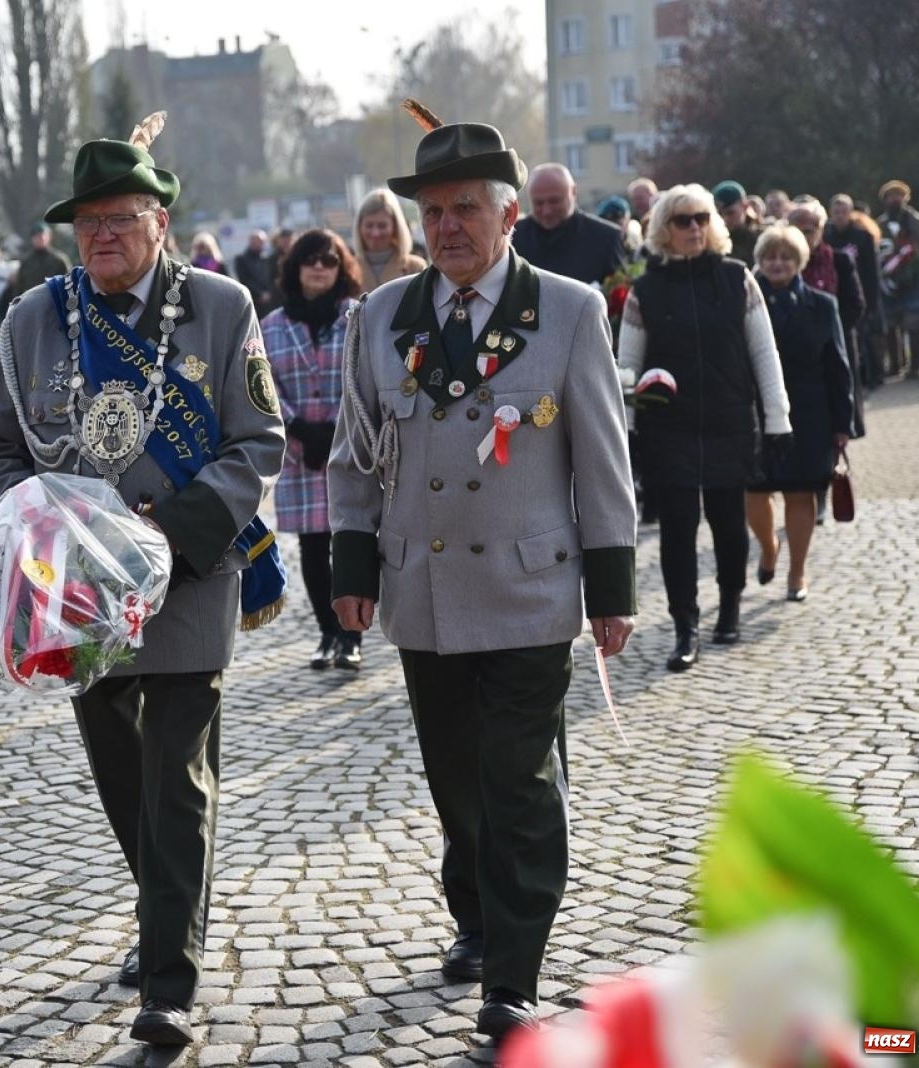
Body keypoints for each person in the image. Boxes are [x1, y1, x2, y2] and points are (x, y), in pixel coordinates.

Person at [0, 116, 284, 1048]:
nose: (102, 235)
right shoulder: (34, 318)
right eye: (87, 222)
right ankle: (165, 916)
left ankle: (169, 981)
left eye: (120, 218)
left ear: (159, 220)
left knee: (177, 776)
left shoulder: (221, 307)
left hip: (187, 578)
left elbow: (256, 443)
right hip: (73, 591)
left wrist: (170, 539)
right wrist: (41, 525)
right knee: (120, 774)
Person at [327, 112, 637, 1047]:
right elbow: (352, 456)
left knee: (520, 781)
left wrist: (613, 587)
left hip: (530, 586)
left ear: (509, 216)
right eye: (433, 209)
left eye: (467, 207)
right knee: (456, 781)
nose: (448, 225)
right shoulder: (381, 317)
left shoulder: (571, 309)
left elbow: (602, 460)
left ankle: (516, 969)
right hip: (421, 590)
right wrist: (351, 566)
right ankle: (475, 909)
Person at [617, 183, 790, 671]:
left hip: (728, 419)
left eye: (701, 218)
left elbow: (764, 354)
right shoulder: (645, 291)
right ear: (663, 230)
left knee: (729, 525)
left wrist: (778, 420)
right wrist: (625, 426)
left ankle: (729, 607)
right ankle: (684, 626)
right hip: (666, 427)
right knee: (676, 530)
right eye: (682, 220)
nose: (693, 227)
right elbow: (625, 366)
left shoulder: (739, 279)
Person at [262, 229, 363, 669]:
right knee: (312, 547)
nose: (319, 268)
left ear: (342, 269)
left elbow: (368, 378)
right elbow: (260, 384)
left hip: (351, 447)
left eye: (329, 261)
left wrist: (338, 428)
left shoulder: (358, 318)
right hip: (299, 450)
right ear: (295, 267)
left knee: (352, 543)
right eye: (310, 260)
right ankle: (327, 632)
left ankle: (352, 635)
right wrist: (298, 424)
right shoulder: (272, 326)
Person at [744, 223, 855, 604]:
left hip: (810, 413)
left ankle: (797, 571)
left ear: (800, 262)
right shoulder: (743, 305)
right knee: (754, 492)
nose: (777, 264)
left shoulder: (823, 305)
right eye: (770, 257)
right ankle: (769, 547)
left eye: (786, 257)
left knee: (801, 491)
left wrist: (843, 424)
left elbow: (839, 366)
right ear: (759, 261)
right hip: (757, 412)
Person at [789, 198, 865, 434]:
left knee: (836, 422)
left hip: (833, 351)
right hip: (793, 356)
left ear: (821, 229)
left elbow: (855, 304)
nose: (802, 237)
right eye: (796, 231)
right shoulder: (779, 263)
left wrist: (826, 332)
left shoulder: (839, 261)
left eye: (808, 230)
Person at [511, 163, 627, 285]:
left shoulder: (606, 238)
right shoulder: (512, 236)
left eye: (554, 201)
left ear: (573, 192)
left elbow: (618, 293)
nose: (546, 211)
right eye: (538, 203)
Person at [875, 179, 919, 379]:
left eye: (899, 195)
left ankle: (915, 366)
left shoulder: (916, 221)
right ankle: (895, 364)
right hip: (889, 281)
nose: (895, 199)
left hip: (914, 280)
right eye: (891, 195)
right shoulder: (880, 223)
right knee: (891, 324)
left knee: (914, 323)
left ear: (906, 198)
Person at [825, 193, 885, 390]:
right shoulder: (825, 236)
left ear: (850, 213)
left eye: (844, 212)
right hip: (832, 293)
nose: (840, 215)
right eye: (836, 212)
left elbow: (872, 272)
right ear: (831, 213)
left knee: (866, 337)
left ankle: (874, 375)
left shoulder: (862, 237)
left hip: (858, 292)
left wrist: (873, 301)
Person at [351, 187, 428, 294]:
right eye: (369, 225)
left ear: (395, 227)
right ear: (359, 227)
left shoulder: (415, 268)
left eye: (382, 226)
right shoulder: (348, 268)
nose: (375, 233)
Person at [5, 221, 72, 304]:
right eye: (36, 236)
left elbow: (69, 285)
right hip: (31, 305)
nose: (40, 239)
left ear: (49, 237)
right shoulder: (26, 261)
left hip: (55, 305)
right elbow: (19, 289)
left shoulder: (59, 260)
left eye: (42, 235)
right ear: (32, 239)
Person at [714, 180, 762, 265]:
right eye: (719, 214)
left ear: (745, 206)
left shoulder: (761, 239)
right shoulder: (712, 242)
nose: (724, 219)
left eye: (730, 213)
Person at [233, 229, 276, 319]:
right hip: (253, 300)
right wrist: (260, 293)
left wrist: (270, 292)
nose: (258, 243)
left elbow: (273, 277)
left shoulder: (268, 258)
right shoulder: (241, 259)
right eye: (255, 240)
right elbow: (244, 279)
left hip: (270, 301)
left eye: (260, 241)